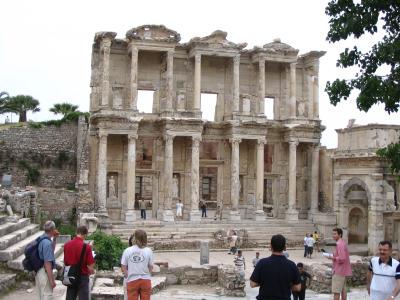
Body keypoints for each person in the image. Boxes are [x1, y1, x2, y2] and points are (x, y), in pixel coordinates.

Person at [250, 234, 301, 300]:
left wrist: (266, 282)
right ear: (285, 247)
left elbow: (252, 284)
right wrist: (285, 285)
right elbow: (298, 287)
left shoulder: (262, 263)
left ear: (270, 247)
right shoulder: (292, 265)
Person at [63, 225, 95, 300]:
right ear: (85, 234)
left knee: (70, 297)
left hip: (70, 275)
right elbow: (90, 265)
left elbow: (65, 262)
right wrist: (91, 271)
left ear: (76, 232)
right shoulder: (86, 247)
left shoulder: (66, 245)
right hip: (82, 277)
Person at [121, 229, 153, 300]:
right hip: (145, 280)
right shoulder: (149, 250)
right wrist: (148, 274)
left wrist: (127, 275)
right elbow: (150, 266)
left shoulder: (127, 250)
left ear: (135, 238)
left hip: (132, 279)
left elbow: (123, 266)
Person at [325, 227, 352, 300]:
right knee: (343, 290)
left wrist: (332, 257)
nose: (333, 235)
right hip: (342, 271)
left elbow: (342, 258)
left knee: (336, 291)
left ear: (340, 235)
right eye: (332, 234)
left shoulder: (339, 244)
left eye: (335, 234)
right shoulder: (342, 243)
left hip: (338, 271)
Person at [36, 220, 59, 300]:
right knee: (47, 295)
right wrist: (51, 280)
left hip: (39, 271)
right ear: (52, 230)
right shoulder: (47, 243)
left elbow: (51, 252)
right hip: (44, 272)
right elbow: (47, 264)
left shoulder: (42, 238)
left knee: (41, 296)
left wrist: (55, 239)